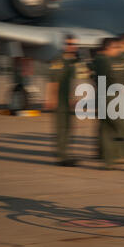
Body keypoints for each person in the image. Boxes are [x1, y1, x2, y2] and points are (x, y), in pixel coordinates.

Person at [94, 37, 124, 169]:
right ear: (108, 48)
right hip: (112, 99)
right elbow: (112, 79)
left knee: (108, 131)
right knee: (123, 128)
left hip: (107, 98)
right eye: (116, 47)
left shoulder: (107, 61)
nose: (118, 50)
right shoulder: (105, 61)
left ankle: (109, 161)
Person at [45, 34, 80, 166]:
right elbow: (53, 81)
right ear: (65, 45)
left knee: (69, 128)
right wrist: (50, 99)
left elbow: (73, 82)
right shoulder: (58, 60)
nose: (72, 46)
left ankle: (66, 153)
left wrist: (75, 98)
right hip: (60, 101)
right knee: (61, 128)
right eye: (70, 44)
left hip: (68, 100)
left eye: (74, 44)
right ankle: (61, 157)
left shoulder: (72, 62)